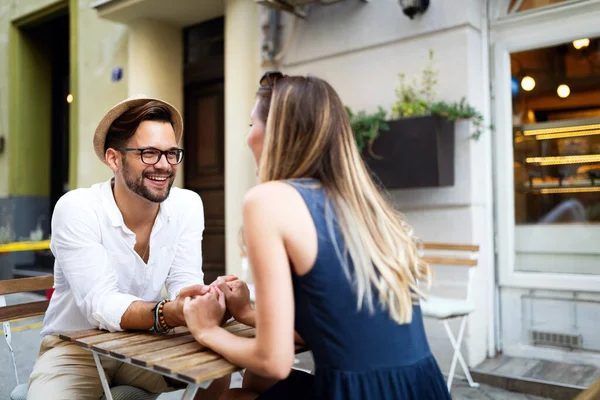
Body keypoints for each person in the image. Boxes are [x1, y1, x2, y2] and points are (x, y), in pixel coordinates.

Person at [182, 73, 451, 399]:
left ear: (277, 133)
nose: (248, 137)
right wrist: (246, 314)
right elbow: (338, 324)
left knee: (228, 394)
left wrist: (206, 329)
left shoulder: (267, 200)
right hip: (421, 386)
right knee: (256, 383)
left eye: (251, 125)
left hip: (360, 392)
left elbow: (274, 361)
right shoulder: (361, 205)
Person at [28, 95, 229, 400]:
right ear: (114, 159)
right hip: (76, 346)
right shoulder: (78, 208)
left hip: (144, 340)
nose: (164, 165)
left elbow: (184, 280)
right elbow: (101, 303)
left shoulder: (188, 204)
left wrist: (198, 301)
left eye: (171, 153)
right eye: (149, 153)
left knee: (220, 368)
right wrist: (167, 312)